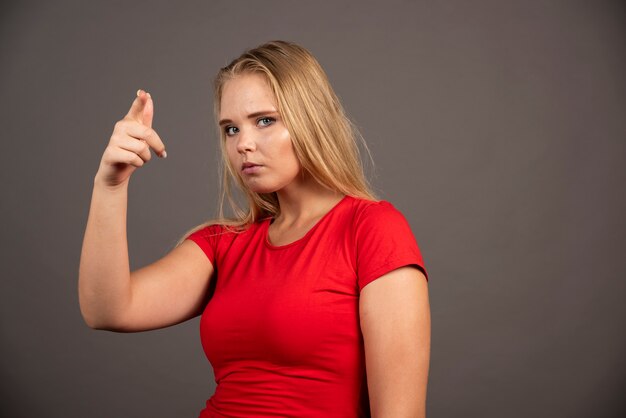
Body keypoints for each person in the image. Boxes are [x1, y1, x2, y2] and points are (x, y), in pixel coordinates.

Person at [79, 40, 431, 417]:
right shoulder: (224, 245)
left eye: (265, 120)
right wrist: (110, 185)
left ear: (310, 119)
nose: (243, 144)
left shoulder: (371, 229)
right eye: (230, 129)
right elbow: (108, 310)